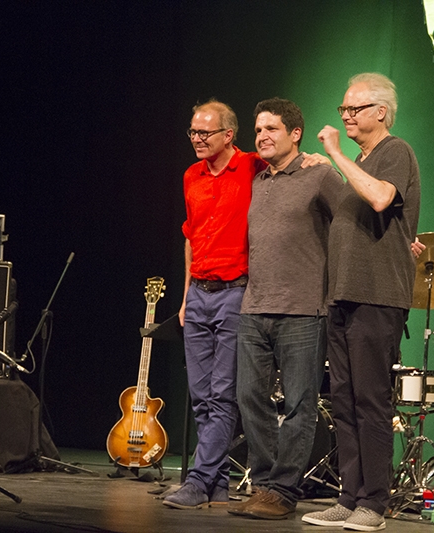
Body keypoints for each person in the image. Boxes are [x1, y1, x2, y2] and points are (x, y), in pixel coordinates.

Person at [302, 73, 421, 531]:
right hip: (343, 296)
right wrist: (336, 165)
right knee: (344, 401)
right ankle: (350, 497)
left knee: (372, 402)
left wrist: (333, 153)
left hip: (376, 297)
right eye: (343, 109)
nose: (346, 115)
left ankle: (375, 503)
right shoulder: (362, 158)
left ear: (382, 113)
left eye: (355, 108)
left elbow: (380, 198)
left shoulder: (397, 151)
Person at [228, 98, 345, 520]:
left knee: (299, 404)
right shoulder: (259, 180)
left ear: (295, 134)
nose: (262, 136)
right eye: (258, 130)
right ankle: (263, 485)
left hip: (303, 310)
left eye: (271, 129)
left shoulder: (319, 176)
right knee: (249, 398)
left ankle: (282, 491)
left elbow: (353, 219)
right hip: (254, 306)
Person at [163, 100, 266, 510]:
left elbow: (288, 161)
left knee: (222, 395)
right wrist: (186, 296)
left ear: (229, 135)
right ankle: (218, 482)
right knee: (200, 395)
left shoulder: (252, 167)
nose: (197, 139)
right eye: (192, 132)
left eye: (205, 133)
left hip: (235, 293)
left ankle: (197, 479)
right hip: (200, 295)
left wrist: (312, 156)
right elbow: (191, 238)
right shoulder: (191, 176)